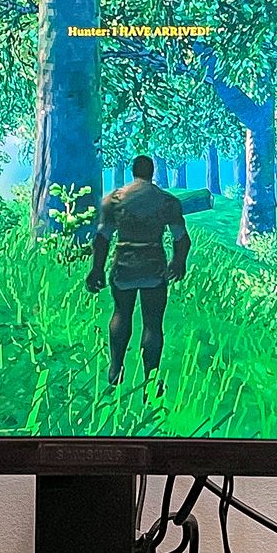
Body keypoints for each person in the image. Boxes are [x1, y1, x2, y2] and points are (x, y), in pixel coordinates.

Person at [87, 154, 191, 387]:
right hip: (154, 268)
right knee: (153, 324)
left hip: (124, 266)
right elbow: (182, 238)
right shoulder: (167, 201)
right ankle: (150, 381)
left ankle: (115, 369)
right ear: (152, 172)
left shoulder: (114, 199)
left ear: (133, 171)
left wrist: (97, 269)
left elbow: (102, 238)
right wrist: (178, 262)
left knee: (121, 314)